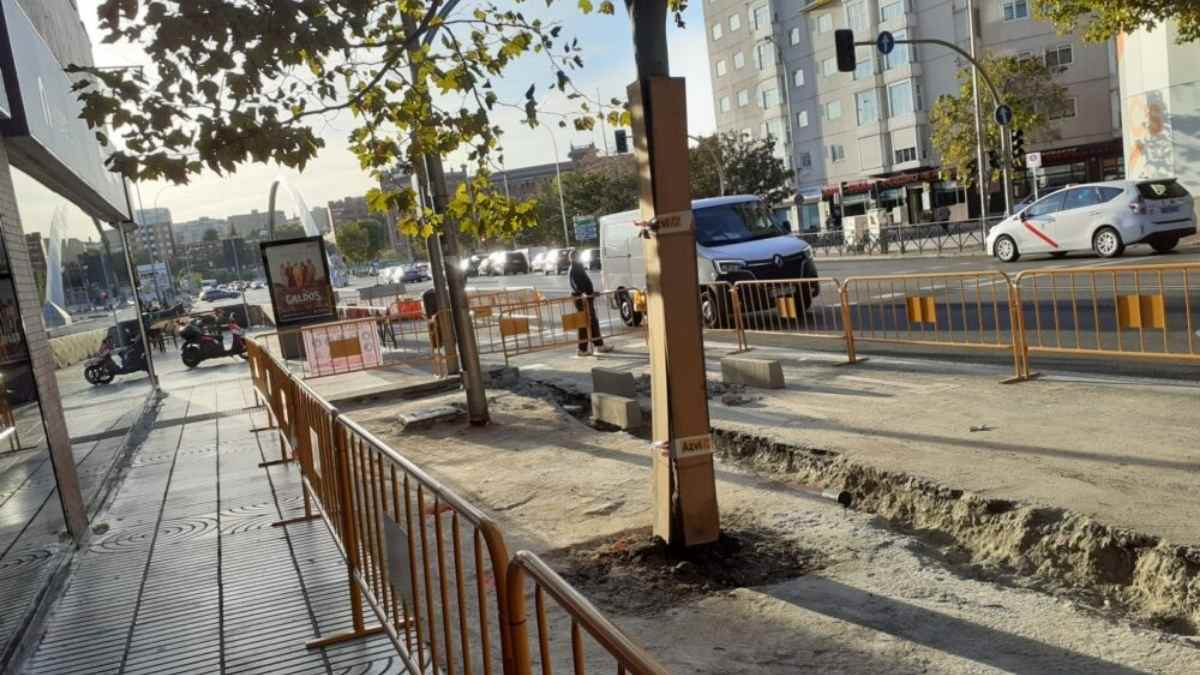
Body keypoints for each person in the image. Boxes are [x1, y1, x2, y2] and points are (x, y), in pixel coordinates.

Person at [568, 249, 610, 356]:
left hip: (586, 298)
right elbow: (577, 285)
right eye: (577, 256)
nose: (579, 258)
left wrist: (591, 292)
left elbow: (584, 282)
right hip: (582, 299)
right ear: (572, 258)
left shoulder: (578, 266)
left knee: (592, 322)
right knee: (584, 323)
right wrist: (584, 294)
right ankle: (582, 349)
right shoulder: (574, 268)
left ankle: (599, 345)